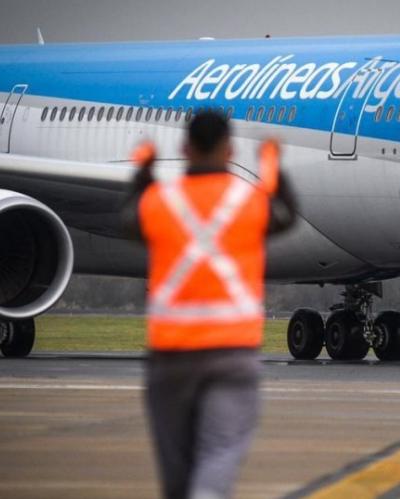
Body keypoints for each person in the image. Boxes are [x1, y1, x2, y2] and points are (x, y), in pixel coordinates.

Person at [123, 110, 296, 499]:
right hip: (232, 354)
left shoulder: (160, 199)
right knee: (219, 455)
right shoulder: (248, 200)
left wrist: (143, 171)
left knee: (176, 475)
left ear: (184, 148)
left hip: (171, 359)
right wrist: (272, 165)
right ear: (230, 149)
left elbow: (128, 219)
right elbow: (285, 214)